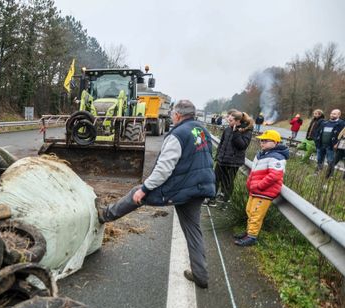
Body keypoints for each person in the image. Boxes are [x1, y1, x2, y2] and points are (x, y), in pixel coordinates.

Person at [97, 99, 215, 288]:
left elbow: (163, 170)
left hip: (183, 187)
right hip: (201, 187)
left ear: (177, 115)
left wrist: (144, 189)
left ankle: (105, 214)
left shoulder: (178, 134)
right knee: (193, 231)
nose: (171, 116)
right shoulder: (201, 130)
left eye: (172, 113)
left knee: (136, 193)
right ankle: (201, 275)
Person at [234, 130, 289, 246]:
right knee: (249, 211)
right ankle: (249, 232)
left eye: (265, 141)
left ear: (275, 142)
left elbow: (275, 175)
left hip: (264, 192)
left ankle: (252, 237)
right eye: (261, 140)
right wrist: (250, 183)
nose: (262, 143)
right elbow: (254, 171)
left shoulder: (277, 157)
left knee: (256, 214)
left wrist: (259, 186)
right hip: (255, 190)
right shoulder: (261, 154)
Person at [209, 110, 253, 207]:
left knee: (228, 182)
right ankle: (212, 199)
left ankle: (225, 201)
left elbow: (242, 146)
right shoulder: (228, 129)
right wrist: (218, 155)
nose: (229, 122)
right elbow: (222, 143)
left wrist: (236, 132)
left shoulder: (246, 131)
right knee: (215, 179)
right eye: (228, 120)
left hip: (233, 162)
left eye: (231, 121)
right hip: (222, 159)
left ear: (238, 121)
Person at [314, 109, 344, 174]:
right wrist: (316, 141)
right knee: (319, 159)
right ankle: (317, 172)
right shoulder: (325, 123)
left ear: (339, 115)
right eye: (331, 113)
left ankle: (329, 176)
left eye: (334, 114)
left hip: (331, 146)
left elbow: (342, 135)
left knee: (330, 161)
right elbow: (317, 132)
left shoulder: (342, 123)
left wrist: (337, 144)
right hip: (321, 145)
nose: (332, 115)